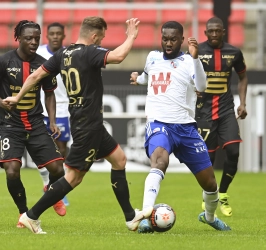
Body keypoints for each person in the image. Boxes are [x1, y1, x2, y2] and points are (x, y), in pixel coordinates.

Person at [4, 16, 153, 234]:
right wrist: (131, 36)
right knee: (73, 178)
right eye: (100, 37)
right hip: (88, 125)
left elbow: (35, 76)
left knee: (119, 159)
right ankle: (31, 216)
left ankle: (130, 217)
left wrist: (17, 98)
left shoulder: (62, 55)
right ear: (94, 36)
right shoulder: (90, 52)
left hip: (90, 123)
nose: (100, 41)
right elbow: (119, 56)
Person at [130, 21, 231, 233]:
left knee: (210, 184)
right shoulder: (152, 58)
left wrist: (195, 58)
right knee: (160, 161)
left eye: (173, 39)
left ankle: (210, 217)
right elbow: (147, 78)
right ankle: (147, 214)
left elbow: (202, 86)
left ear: (181, 40)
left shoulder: (188, 61)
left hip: (186, 128)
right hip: (159, 124)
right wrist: (137, 79)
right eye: (165, 38)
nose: (168, 43)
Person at [0, 20, 67, 228]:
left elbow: (49, 95)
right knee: (11, 170)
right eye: (28, 38)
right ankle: (23, 214)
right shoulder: (4, 62)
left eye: (37, 38)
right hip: (10, 125)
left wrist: (53, 121)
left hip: (36, 123)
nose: (33, 42)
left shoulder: (43, 64)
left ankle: (51, 191)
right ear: (18, 38)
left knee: (58, 170)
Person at [196, 17, 248, 217]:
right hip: (204, 112)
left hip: (226, 110)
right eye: (211, 31)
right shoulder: (197, 52)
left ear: (223, 31)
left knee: (233, 152)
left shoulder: (234, 52)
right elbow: (184, 76)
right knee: (207, 159)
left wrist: (243, 103)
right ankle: (209, 195)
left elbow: (243, 77)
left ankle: (223, 193)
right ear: (206, 33)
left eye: (218, 31)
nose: (215, 34)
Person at [37, 22, 70, 206]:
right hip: (40, 107)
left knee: (61, 149)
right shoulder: (39, 54)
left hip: (63, 107)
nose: (56, 36)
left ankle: (56, 187)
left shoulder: (68, 55)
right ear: (47, 36)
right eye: (52, 34)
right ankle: (46, 183)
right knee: (41, 148)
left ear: (63, 36)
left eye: (59, 33)